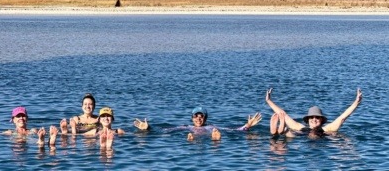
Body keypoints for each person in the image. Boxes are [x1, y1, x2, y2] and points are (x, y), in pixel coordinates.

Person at [265, 88, 363, 137]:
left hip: (317, 136)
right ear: (308, 119)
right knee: (292, 134)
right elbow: (283, 115)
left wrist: (356, 102)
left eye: (317, 117)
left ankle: (282, 131)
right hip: (302, 135)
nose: (314, 119)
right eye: (311, 117)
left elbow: (342, 117)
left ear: (321, 119)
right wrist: (269, 101)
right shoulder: (300, 127)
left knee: (291, 135)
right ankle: (281, 130)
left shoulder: (327, 128)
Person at [133, 106, 262, 141]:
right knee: (190, 136)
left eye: (201, 116)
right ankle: (195, 140)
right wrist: (148, 128)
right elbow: (164, 131)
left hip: (209, 135)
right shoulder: (185, 127)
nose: (199, 119)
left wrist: (248, 125)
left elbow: (235, 131)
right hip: (193, 135)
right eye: (196, 116)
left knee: (215, 134)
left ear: (205, 119)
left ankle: (215, 141)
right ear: (192, 118)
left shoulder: (212, 127)